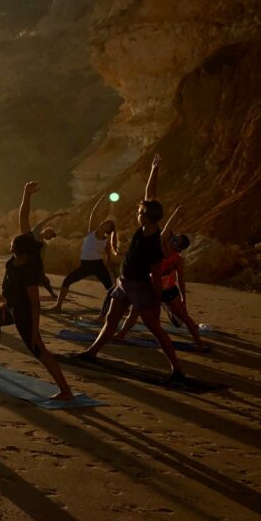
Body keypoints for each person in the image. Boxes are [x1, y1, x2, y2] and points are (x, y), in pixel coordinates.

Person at [77, 154, 188, 384]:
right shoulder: (146, 226)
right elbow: (151, 195)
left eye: (140, 213)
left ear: (146, 217)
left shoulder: (153, 242)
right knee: (111, 319)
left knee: (155, 329)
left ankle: (177, 369)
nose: (137, 214)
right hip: (125, 282)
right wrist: (154, 169)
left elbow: (156, 276)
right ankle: (91, 353)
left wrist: (156, 302)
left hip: (139, 286)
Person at [0, 182, 73, 400]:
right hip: (11, 306)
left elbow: (35, 303)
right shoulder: (22, 252)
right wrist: (26, 194)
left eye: (13, 247)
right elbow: (23, 217)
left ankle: (66, 391)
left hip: (24, 312)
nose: (10, 247)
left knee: (39, 350)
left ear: (23, 252)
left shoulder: (30, 267)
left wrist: (35, 331)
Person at [114, 207, 209, 351]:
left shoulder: (177, 259)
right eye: (175, 238)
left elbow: (181, 280)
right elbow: (165, 229)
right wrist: (176, 213)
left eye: (177, 241)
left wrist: (184, 299)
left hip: (169, 291)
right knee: (134, 313)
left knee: (184, 317)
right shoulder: (158, 247)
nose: (174, 240)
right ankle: (121, 335)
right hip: (151, 288)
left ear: (179, 248)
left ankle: (199, 343)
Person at [51, 194, 118, 316]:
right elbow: (93, 213)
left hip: (98, 265)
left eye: (107, 224)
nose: (104, 223)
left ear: (109, 229)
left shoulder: (106, 242)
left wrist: (115, 273)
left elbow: (108, 260)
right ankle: (58, 306)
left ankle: (116, 309)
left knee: (111, 289)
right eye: (105, 222)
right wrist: (101, 199)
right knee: (67, 281)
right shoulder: (91, 231)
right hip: (85, 265)